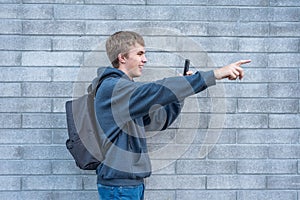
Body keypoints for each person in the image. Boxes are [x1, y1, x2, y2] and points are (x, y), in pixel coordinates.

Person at [92, 31, 251, 200]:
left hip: (130, 183)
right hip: (119, 187)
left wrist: (180, 93)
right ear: (122, 58)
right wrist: (214, 74)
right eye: (139, 54)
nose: (144, 59)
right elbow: (157, 90)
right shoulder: (113, 88)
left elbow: (158, 121)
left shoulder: (125, 92)